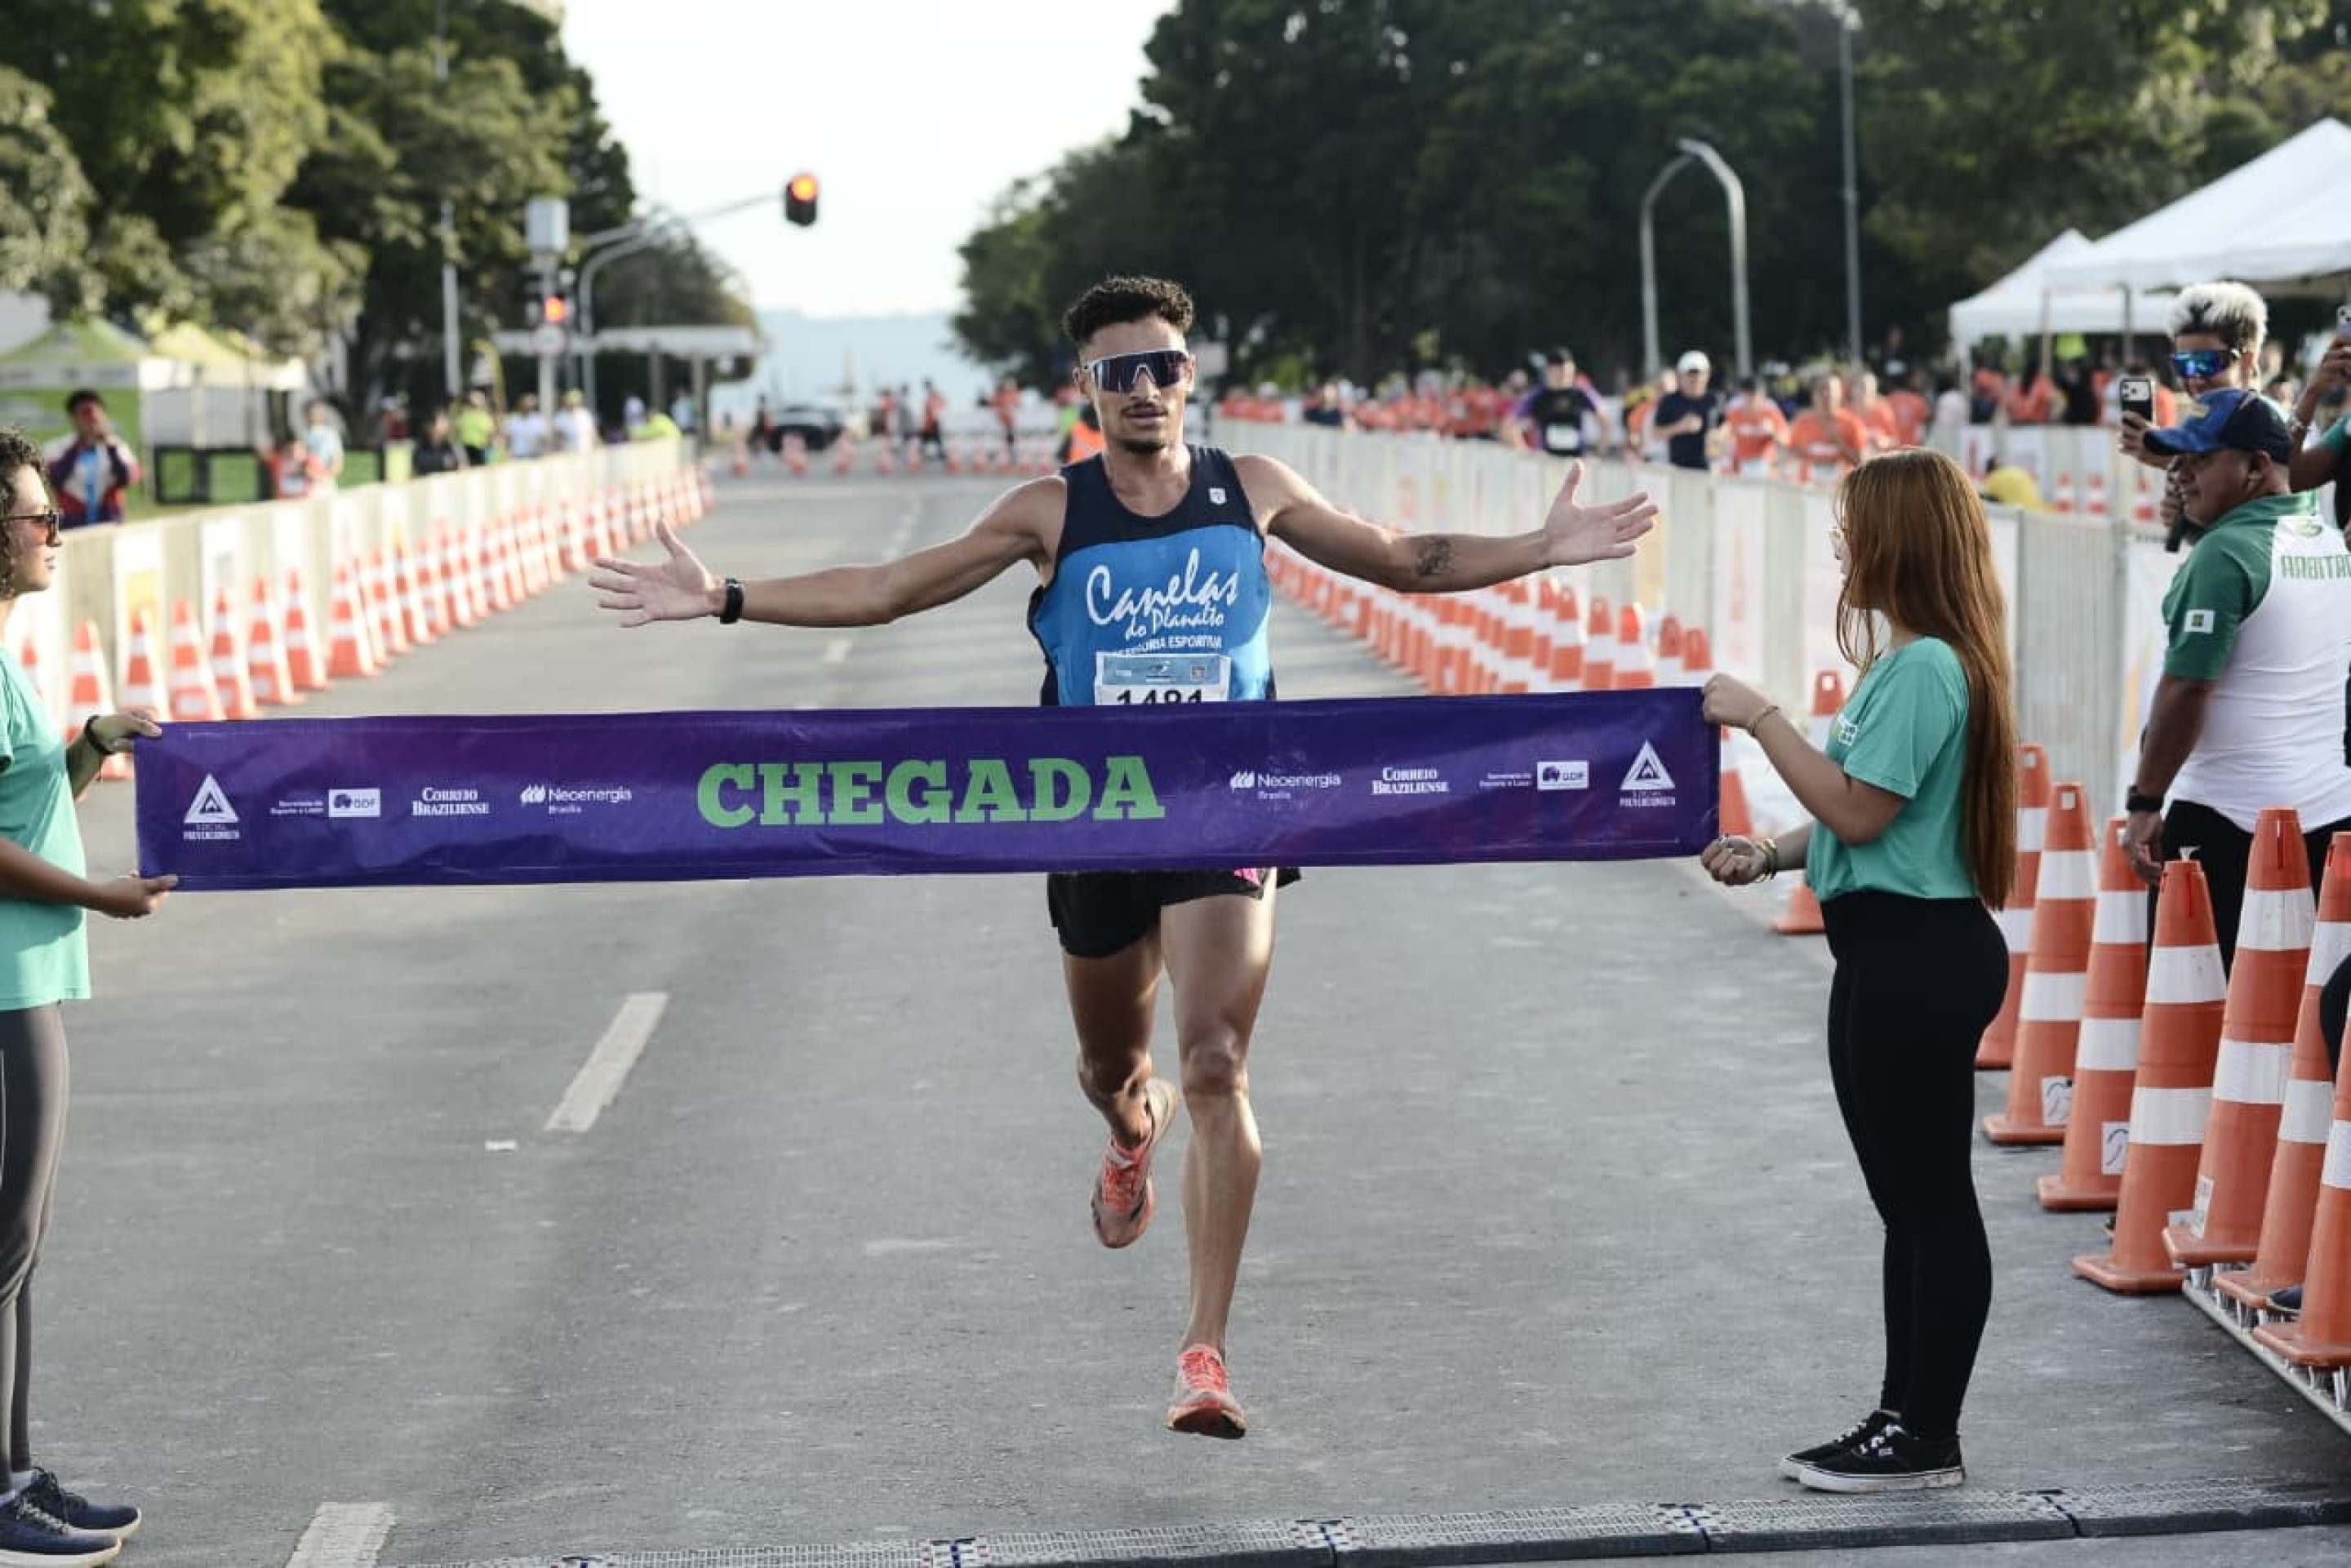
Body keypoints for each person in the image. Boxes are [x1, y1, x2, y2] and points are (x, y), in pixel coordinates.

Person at [589, 274, 1655, 1438]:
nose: (1146, 389)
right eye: (1120, 372)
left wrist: (1544, 548)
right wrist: (731, 597)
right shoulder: (1050, 510)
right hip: (1093, 818)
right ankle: (1124, 1134)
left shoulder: (1252, 490)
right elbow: (891, 590)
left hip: (1230, 806)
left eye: (1164, 367)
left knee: (1215, 1061)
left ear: (1192, 377)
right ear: (1087, 389)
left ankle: (1204, 1352)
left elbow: (1405, 557)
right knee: (1116, 1067)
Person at [1700, 447, 2018, 1494]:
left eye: (1854, 525)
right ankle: (1901, 1418)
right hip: (1888, 951)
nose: (1841, 544)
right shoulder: (1911, 659)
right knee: (1909, 1205)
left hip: (1919, 959)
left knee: (1932, 1204)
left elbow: (1861, 808)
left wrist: (1759, 716)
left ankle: (1930, 1435)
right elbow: (1860, 811)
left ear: (1900, 539)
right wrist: (1773, 853)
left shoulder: (1929, 666)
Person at [0, 427, 178, 1564]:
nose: (54, 531)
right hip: (5, 985)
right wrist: (100, 896)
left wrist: (92, 742)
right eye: (35, 516)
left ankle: (13, 1473)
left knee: (20, 1241)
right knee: (4, 1241)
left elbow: (18, 804)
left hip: (28, 972)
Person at [2122, 389, 2351, 968]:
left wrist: (2146, 800)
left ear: (2255, 467)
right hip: (2329, 818)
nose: (2179, 473)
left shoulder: (2225, 555)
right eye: (2176, 457)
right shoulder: (2327, 541)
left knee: (2193, 1030)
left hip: (2226, 826)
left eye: (2199, 458)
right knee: (2307, 1034)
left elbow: (2187, 688)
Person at [2120, 282, 2265, 551]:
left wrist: (2170, 459)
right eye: (2183, 364)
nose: (2195, 378)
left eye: (2207, 362)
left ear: (2246, 361)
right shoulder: (2203, 417)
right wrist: (2186, 517)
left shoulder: (2267, 420)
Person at [42, 394, 139, 531]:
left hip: (110, 521)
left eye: (95, 415)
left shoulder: (117, 446)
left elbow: (126, 479)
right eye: (84, 415)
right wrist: (78, 447)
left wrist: (110, 447)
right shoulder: (58, 448)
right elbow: (55, 480)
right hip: (72, 521)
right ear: (73, 418)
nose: (91, 421)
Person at [1519, 349, 1611, 461]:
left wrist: (1598, 453)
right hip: (1546, 460)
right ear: (1549, 371)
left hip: (1576, 460)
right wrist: (1526, 453)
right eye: (1559, 373)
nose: (1563, 377)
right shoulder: (1537, 395)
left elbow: (1605, 421)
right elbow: (1511, 425)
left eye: (1567, 373)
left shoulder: (1582, 393)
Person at [1650, 352, 1722, 473]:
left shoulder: (1715, 399)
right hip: (1679, 469)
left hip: (1711, 468)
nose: (1695, 379)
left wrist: (1718, 435)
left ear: (1707, 375)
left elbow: (1728, 426)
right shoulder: (1669, 401)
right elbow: (1655, 433)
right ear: (1680, 376)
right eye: (1690, 376)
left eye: (1699, 375)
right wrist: (1680, 427)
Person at [1789, 375, 1867, 486]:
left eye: (1831, 391)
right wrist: (1808, 452)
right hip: (1809, 488)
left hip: (1841, 488)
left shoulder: (1852, 423)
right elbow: (1791, 454)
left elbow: (1862, 462)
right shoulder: (1802, 422)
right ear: (1814, 395)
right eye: (1821, 390)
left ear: (1840, 394)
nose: (1826, 395)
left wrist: (1840, 444)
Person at [1722, 377, 1789, 477]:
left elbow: (1786, 442)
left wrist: (1772, 432)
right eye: (1747, 395)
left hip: (1765, 463)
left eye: (1754, 395)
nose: (1751, 400)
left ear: (1762, 395)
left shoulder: (1771, 412)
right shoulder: (1734, 413)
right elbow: (1722, 437)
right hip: (1742, 464)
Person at [300, 401, 346, 495]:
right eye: (314, 413)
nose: (316, 415)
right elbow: (301, 462)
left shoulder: (331, 434)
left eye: (319, 412)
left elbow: (338, 461)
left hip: (326, 484)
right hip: (309, 486)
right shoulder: (303, 436)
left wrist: (325, 475)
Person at [265, 434, 322, 500]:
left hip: (306, 499)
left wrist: (308, 472)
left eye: (298, 450)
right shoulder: (280, 462)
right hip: (286, 499)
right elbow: (276, 486)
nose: (294, 453)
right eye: (292, 450)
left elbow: (321, 479)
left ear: (304, 450)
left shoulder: (310, 460)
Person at [409, 411, 465, 477]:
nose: (447, 425)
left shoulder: (453, 447)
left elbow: (464, 469)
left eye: (446, 421)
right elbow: (416, 474)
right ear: (430, 427)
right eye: (442, 422)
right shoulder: (420, 451)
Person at [453, 391, 498, 468]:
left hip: (476, 449)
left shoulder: (464, 416)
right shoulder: (482, 416)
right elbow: (491, 433)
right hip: (475, 450)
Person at [505, 393, 550, 461]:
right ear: (520, 405)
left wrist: (546, 451)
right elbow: (508, 438)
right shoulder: (513, 420)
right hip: (518, 455)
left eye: (529, 405)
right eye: (525, 404)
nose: (527, 407)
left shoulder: (538, 419)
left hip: (535, 455)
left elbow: (544, 438)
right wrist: (507, 453)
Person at [554, 390, 598, 455]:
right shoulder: (560, 417)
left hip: (586, 451)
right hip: (568, 452)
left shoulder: (584, 414)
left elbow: (592, 432)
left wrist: (596, 445)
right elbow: (558, 436)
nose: (573, 405)